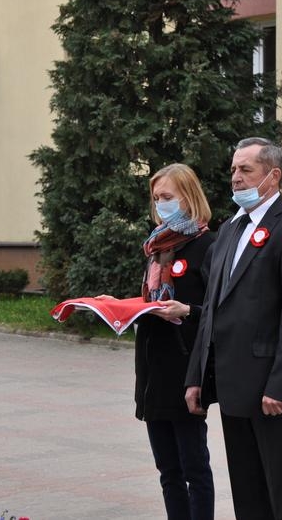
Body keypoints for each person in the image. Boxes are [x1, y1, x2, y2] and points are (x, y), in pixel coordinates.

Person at [184, 138, 282, 520]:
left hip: (273, 392)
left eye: (246, 170)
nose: (236, 178)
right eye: (233, 170)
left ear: (273, 176)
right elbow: (211, 308)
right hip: (234, 388)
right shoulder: (230, 229)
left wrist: (280, 384)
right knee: (249, 498)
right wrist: (196, 376)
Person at [102, 163, 215, 520]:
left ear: (189, 197)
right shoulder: (156, 246)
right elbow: (151, 301)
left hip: (186, 373)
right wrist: (121, 309)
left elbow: (218, 311)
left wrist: (187, 310)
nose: (161, 204)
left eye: (168, 196)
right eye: (156, 198)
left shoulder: (208, 245)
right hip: (152, 371)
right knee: (168, 472)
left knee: (193, 468)